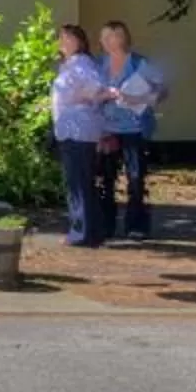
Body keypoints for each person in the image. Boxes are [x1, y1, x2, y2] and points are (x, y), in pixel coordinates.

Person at [98, 20, 168, 241]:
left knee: (136, 177)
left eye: (116, 36)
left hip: (134, 128)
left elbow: (162, 92)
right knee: (104, 178)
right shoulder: (99, 64)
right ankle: (105, 225)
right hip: (107, 128)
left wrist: (137, 98)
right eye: (106, 37)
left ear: (125, 38)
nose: (111, 42)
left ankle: (136, 225)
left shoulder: (139, 63)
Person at [49, 22, 117, 248]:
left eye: (68, 38)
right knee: (80, 182)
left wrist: (82, 97)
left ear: (79, 42)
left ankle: (82, 232)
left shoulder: (81, 64)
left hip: (78, 130)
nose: (63, 43)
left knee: (78, 183)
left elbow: (95, 89)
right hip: (71, 129)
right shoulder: (70, 65)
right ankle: (93, 230)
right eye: (61, 39)